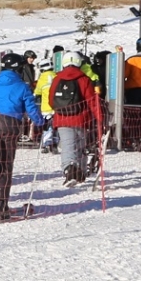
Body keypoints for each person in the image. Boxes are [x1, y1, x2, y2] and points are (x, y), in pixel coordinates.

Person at [0, 53, 47, 222]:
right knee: (6, 167)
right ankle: (2, 205)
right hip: (9, 126)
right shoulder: (21, 86)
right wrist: (40, 122)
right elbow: (31, 108)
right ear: (18, 69)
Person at [48, 57, 102, 185]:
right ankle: (81, 172)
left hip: (62, 118)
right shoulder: (84, 79)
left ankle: (70, 170)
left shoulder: (57, 79)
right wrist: (100, 117)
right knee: (80, 145)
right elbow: (91, 101)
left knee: (67, 145)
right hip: (81, 118)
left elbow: (51, 101)